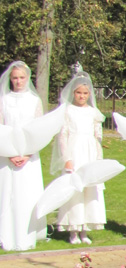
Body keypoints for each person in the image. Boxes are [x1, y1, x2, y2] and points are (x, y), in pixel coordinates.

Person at [51, 72, 107, 244]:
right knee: (75, 190)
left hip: (89, 153)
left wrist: (98, 159)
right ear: (73, 93)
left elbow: (98, 137)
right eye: (78, 93)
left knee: (89, 190)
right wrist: (67, 158)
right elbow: (63, 136)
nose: (81, 96)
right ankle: (73, 230)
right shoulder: (68, 111)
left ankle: (85, 229)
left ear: (89, 94)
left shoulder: (93, 112)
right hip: (74, 151)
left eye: (85, 93)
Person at [0, 61, 47, 251]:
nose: (18, 81)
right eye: (15, 78)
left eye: (21, 77)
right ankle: (6, 235)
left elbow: (39, 130)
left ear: (27, 78)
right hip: (7, 154)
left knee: (26, 195)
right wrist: (9, 153)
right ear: (10, 79)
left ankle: (26, 235)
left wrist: (28, 153)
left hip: (29, 155)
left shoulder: (34, 101)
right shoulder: (4, 100)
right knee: (7, 195)